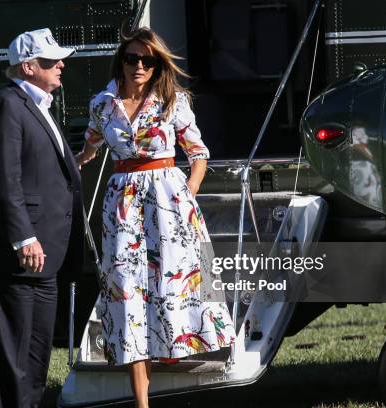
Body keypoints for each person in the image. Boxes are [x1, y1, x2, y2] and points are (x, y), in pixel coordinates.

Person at [77, 27, 235, 407]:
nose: (139, 66)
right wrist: (75, 160)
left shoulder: (172, 100)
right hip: (122, 207)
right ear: (122, 61)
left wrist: (187, 196)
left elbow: (198, 154)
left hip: (168, 202)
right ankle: (141, 402)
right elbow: (90, 145)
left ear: (157, 64)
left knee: (172, 289)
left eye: (147, 60)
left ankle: (187, 378)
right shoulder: (103, 104)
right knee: (127, 294)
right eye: (132, 58)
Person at [0, 29, 83, 408]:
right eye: (50, 61)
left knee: (36, 359)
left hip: (43, 263)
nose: (61, 65)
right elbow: (2, 177)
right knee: (13, 361)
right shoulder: (7, 104)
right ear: (28, 67)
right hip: (13, 259)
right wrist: (23, 237)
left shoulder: (39, 106)